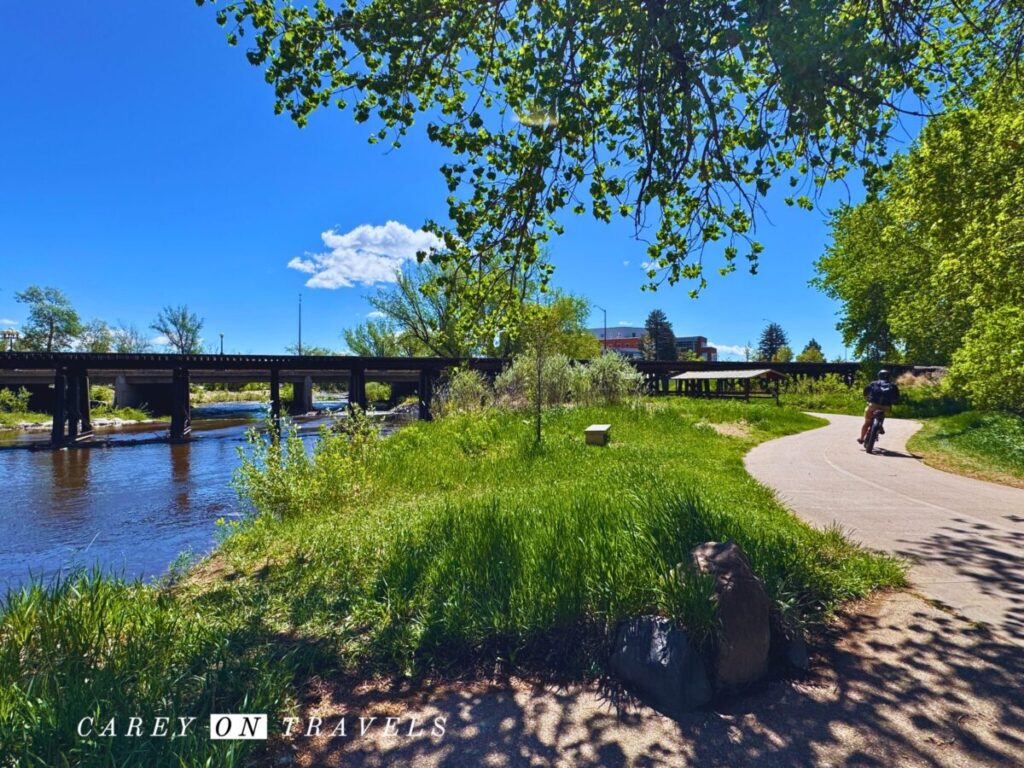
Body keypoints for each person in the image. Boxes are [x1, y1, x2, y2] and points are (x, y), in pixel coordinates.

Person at [859, 369, 900, 444]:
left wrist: (866, 397)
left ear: (879, 375)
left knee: (867, 422)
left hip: (873, 405)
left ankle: (861, 439)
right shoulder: (893, 385)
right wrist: (894, 402)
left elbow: (865, 391)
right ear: (888, 377)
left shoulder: (874, 383)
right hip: (886, 407)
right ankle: (880, 425)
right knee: (882, 415)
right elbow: (897, 397)